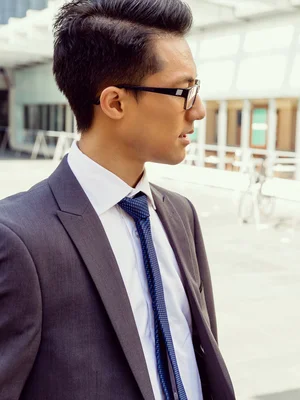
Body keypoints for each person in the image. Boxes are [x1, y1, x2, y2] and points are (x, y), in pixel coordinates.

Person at [0, 0, 235, 399]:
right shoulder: (19, 237)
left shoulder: (179, 214)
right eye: (183, 91)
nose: (199, 110)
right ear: (114, 102)